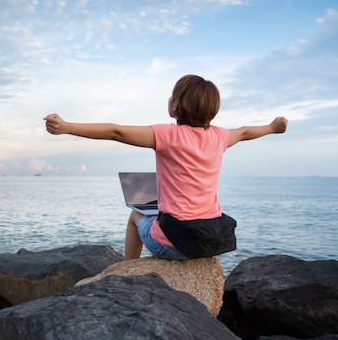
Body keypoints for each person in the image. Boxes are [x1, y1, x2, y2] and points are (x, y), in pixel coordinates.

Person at [44, 74, 288, 261]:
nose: (169, 100)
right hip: (211, 241)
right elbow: (245, 132)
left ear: (177, 107)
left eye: (172, 96)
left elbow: (116, 132)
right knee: (159, 213)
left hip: (175, 243)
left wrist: (67, 127)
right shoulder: (219, 136)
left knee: (135, 215)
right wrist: (272, 127)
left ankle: (129, 267)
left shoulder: (168, 134)